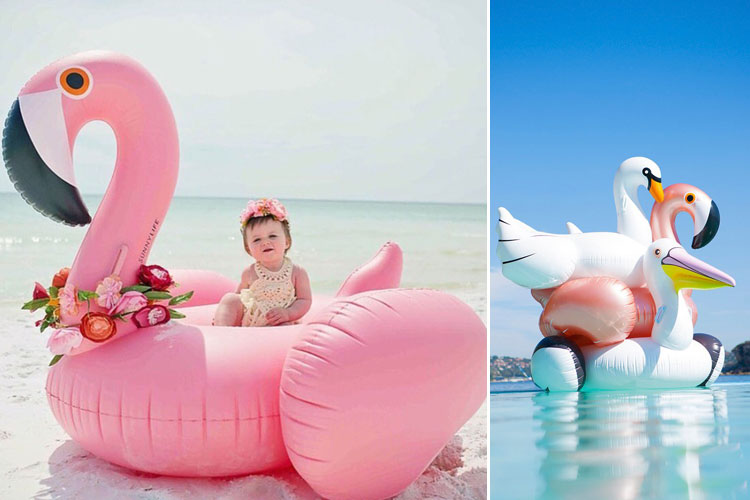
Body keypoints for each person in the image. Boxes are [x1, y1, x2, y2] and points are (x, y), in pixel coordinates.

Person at [213, 198, 311, 327]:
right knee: (230, 298)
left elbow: (304, 300)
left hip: (280, 320)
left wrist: (288, 313)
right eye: (257, 239)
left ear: (287, 241)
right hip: (253, 321)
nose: (265, 242)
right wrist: (227, 313)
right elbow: (240, 297)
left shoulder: (297, 272)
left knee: (286, 326)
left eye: (272, 236)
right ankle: (221, 329)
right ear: (249, 249)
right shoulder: (249, 272)